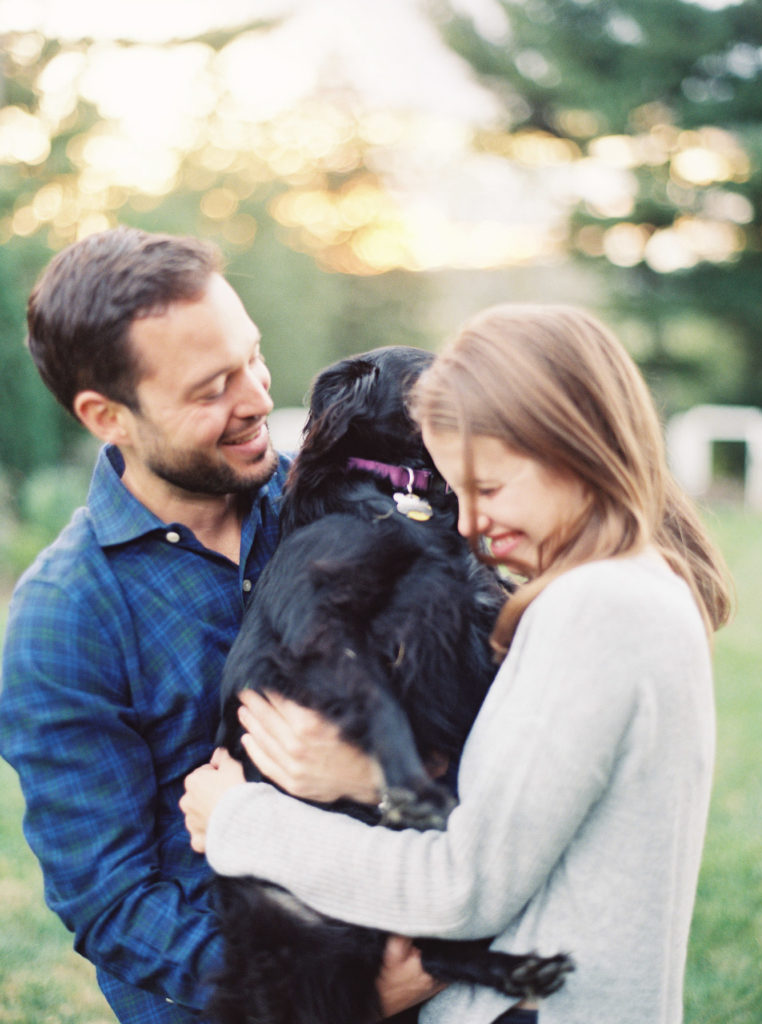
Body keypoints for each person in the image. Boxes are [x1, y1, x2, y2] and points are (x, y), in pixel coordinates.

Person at [181, 303, 732, 1024]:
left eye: (490, 488)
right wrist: (377, 779)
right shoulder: (625, 588)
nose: (466, 523)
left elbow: (463, 886)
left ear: (571, 448)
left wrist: (238, 819)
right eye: (455, 491)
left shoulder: (600, 609)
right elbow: (523, 820)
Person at [0, 226, 436, 1023]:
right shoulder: (64, 618)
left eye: (254, 357)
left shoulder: (330, 505)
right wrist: (337, 998)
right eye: (211, 390)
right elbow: (113, 901)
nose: (259, 398)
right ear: (108, 415)